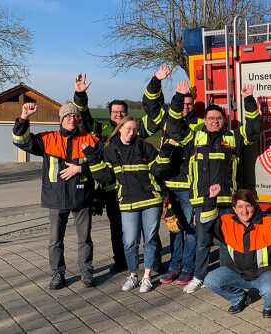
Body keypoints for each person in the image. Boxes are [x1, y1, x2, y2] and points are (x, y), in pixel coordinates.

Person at [165, 81, 262, 294]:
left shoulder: (233, 137)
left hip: (228, 202)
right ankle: (198, 277)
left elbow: (254, 130)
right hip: (202, 202)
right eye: (210, 118)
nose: (214, 121)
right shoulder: (194, 137)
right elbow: (173, 127)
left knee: (228, 243)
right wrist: (179, 97)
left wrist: (249, 100)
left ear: (224, 121)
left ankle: (228, 277)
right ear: (205, 121)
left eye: (218, 118)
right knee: (202, 243)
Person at [73, 67, 170, 273]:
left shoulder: (135, 129)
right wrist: (80, 94)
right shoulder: (101, 131)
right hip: (113, 191)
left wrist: (156, 82)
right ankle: (121, 262)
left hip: (141, 189)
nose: (118, 115)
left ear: (127, 114)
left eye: (121, 112)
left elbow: (154, 120)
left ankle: (155, 263)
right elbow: (84, 118)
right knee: (118, 229)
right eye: (114, 112)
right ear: (110, 114)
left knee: (149, 231)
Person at [12, 102, 98, 289]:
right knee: (55, 241)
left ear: (79, 119)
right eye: (67, 116)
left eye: (74, 116)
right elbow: (20, 140)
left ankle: (86, 272)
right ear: (61, 119)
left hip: (82, 197)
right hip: (56, 198)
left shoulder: (89, 139)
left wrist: (81, 168)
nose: (71, 119)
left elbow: (103, 165)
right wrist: (24, 117)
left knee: (85, 239)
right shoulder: (47, 138)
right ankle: (58, 274)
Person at [83, 116, 171, 293]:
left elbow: (158, 170)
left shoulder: (145, 147)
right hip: (128, 203)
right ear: (120, 128)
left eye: (134, 130)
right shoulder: (110, 150)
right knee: (130, 242)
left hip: (151, 200)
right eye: (128, 129)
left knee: (150, 240)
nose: (132, 133)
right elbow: (105, 177)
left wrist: (166, 153)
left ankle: (146, 276)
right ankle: (133, 274)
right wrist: (92, 158)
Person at [142, 78, 204, 287]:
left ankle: (188, 268)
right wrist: (156, 80)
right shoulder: (168, 119)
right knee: (174, 228)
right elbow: (151, 106)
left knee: (190, 229)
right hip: (170, 185)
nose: (186, 107)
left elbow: (182, 136)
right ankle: (174, 267)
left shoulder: (199, 124)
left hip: (188, 186)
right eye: (182, 104)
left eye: (189, 104)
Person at [201, 188, 271, 318]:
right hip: (239, 272)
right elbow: (206, 224)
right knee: (210, 280)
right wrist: (210, 200)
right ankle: (239, 298)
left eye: (248, 206)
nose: (244, 211)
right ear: (234, 209)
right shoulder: (227, 223)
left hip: (265, 272)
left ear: (255, 206)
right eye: (240, 206)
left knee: (270, 290)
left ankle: (269, 305)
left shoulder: (268, 223)